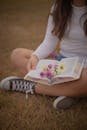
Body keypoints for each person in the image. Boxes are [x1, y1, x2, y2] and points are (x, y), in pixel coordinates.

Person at [0, 0, 87, 110]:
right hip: (62, 63)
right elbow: (50, 41)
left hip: (84, 69)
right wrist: (35, 56)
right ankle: (71, 91)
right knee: (17, 55)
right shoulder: (58, 7)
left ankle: (31, 86)